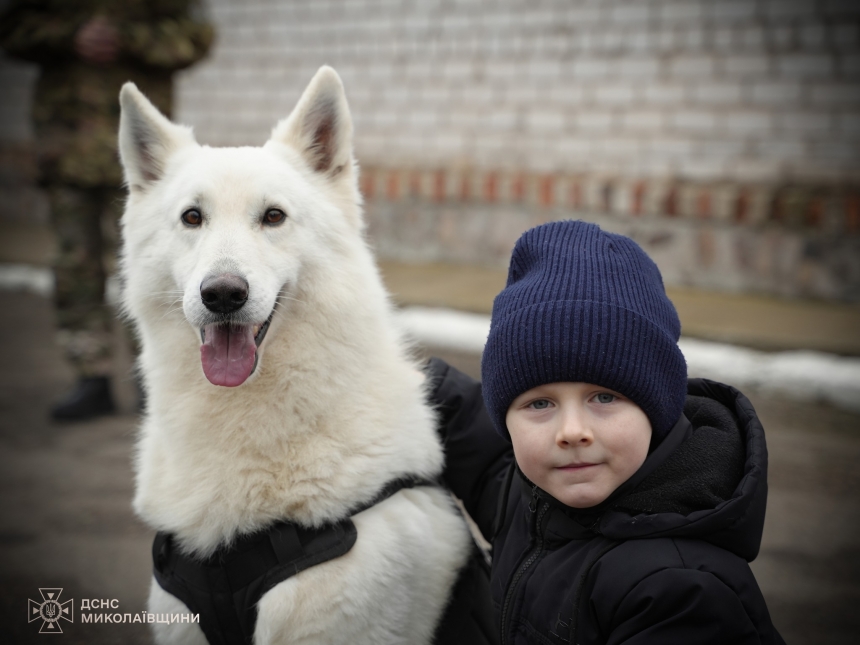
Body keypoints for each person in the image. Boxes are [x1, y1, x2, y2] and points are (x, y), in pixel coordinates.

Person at [427, 220, 785, 644]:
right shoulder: (533, 497)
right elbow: (488, 462)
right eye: (540, 404)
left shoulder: (680, 592)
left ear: (657, 407)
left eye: (604, 398)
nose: (572, 432)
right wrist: (403, 379)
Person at [0, 0, 213, 420]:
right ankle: (89, 376)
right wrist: (69, 38)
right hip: (67, 148)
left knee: (155, 265)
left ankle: (152, 377)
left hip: (150, 156)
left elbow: (198, 38)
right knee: (75, 264)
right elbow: (13, 30)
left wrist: (129, 40)